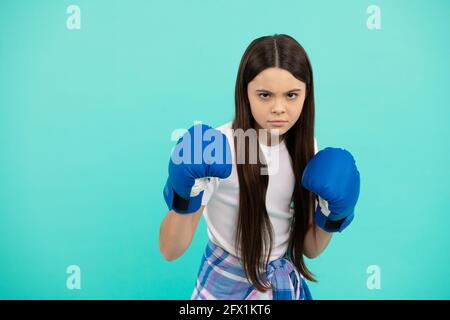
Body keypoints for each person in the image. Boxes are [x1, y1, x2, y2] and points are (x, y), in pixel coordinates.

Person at [159, 34, 360, 300]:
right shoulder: (221, 149)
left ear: (306, 94)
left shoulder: (306, 148)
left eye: (291, 95)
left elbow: (310, 248)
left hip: (281, 283)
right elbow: (170, 250)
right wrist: (185, 194)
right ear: (246, 92)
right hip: (225, 283)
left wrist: (332, 215)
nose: (279, 108)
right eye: (264, 95)